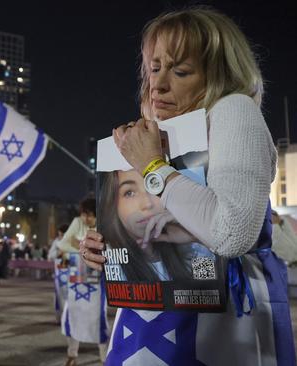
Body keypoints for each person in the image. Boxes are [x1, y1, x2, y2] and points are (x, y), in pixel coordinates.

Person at [80, 8, 295, 365]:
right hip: (151, 314)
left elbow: (232, 233)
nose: (159, 83)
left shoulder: (233, 110)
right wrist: (112, 252)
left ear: (219, 76)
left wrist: (153, 168)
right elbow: (173, 225)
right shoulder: (160, 129)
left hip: (223, 325)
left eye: (180, 70)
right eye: (154, 67)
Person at [98, 169, 216, 281]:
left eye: (154, 186)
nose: (147, 204)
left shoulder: (194, 250)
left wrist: (196, 237)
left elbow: (208, 288)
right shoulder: (109, 260)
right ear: (112, 204)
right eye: (129, 193)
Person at [58, 198, 108, 365]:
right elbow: (63, 244)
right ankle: (72, 355)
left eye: (90, 216)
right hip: (77, 279)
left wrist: (78, 244)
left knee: (99, 318)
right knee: (72, 314)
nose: (86, 219)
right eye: (84, 215)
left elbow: (106, 251)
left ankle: (104, 357)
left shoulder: (104, 224)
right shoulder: (77, 222)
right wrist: (84, 250)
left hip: (96, 281)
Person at [48, 223, 69, 322]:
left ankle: (69, 318)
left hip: (71, 274)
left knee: (70, 296)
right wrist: (58, 253)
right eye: (59, 235)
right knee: (59, 296)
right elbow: (50, 256)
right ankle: (60, 317)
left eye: (62, 235)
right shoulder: (56, 242)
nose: (60, 237)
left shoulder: (74, 242)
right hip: (59, 273)